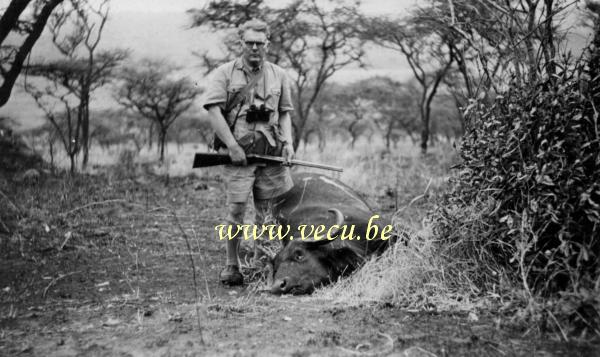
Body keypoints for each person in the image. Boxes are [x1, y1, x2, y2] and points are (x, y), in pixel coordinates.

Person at [202, 19, 295, 286]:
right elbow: (213, 110)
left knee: (268, 212)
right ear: (241, 43)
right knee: (236, 211)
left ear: (268, 44)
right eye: (249, 42)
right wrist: (231, 146)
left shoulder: (279, 74)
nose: (255, 47)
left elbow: (285, 114)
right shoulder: (224, 73)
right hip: (238, 156)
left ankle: (262, 262)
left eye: (260, 43)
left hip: (271, 155)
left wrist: (288, 143)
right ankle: (232, 265)